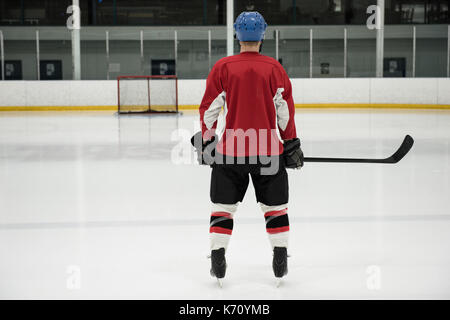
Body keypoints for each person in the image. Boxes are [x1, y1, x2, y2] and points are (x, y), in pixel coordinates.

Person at [192, 11, 303, 284]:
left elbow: (209, 110)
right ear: (263, 35)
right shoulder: (274, 69)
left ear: (236, 35)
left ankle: (218, 255)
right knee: (275, 208)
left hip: (231, 152)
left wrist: (207, 141)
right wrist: (290, 144)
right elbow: (284, 112)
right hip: (268, 151)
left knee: (223, 208)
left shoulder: (223, 67)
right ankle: (280, 253)